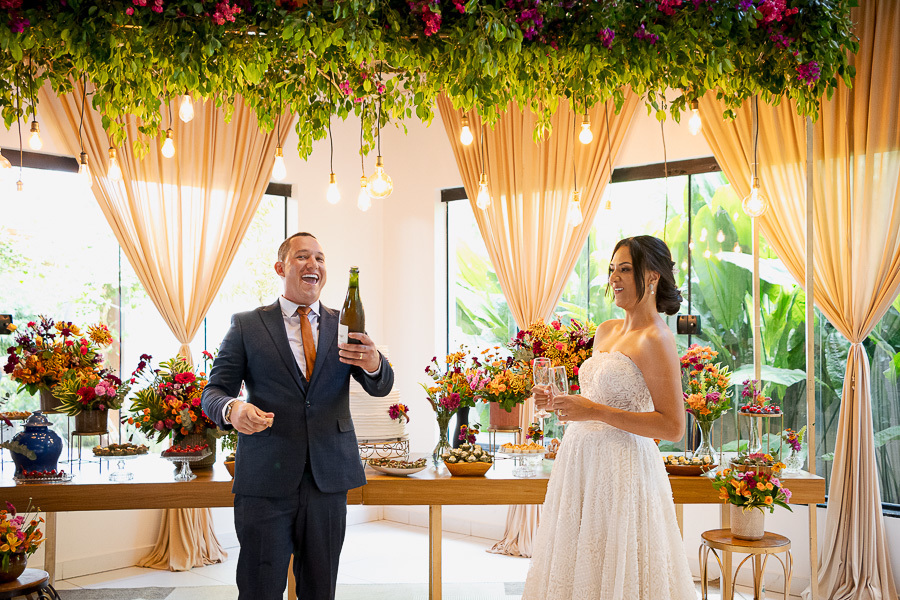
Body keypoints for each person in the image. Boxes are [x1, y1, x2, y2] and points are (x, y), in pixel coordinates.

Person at [202, 232, 394, 600]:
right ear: (281, 267)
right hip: (264, 481)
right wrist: (233, 408)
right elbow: (213, 392)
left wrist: (374, 363)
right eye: (303, 257)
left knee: (320, 591)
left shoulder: (345, 325)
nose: (314, 265)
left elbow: (381, 386)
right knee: (260, 589)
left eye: (320, 259)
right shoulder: (247, 325)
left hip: (328, 479)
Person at [522, 235, 696, 600]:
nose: (614, 278)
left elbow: (673, 427)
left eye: (625, 269)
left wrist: (593, 411)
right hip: (579, 464)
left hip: (623, 471)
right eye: (612, 270)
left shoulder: (657, 339)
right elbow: (593, 401)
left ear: (651, 277)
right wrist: (560, 402)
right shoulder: (606, 330)